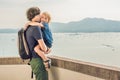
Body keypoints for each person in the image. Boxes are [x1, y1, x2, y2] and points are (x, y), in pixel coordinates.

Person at [25, 7, 49, 80]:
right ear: (34, 16)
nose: (40, 16)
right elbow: (44, 48)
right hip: (38, 60)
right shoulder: (36, 28)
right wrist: (47, 48)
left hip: (32, 60)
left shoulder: (28, 27)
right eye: (38, 14)